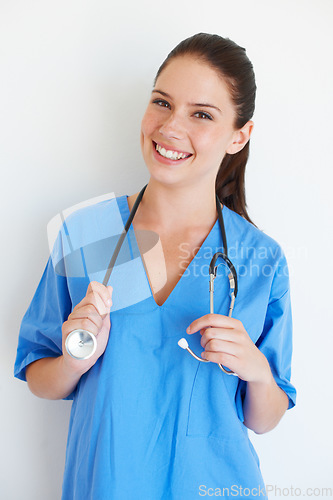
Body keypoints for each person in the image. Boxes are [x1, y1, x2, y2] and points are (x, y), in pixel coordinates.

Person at [14, 33, 296, 499]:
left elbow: (263, 419)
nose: (170, 127)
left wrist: (258, 371)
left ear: (239, 135)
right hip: (107, 483)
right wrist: (73, 358)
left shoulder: (259, 258)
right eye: (162, 103)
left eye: (201, 114)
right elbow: (40, 379)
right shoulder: (87, 235)